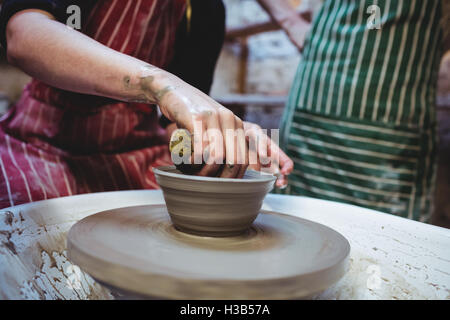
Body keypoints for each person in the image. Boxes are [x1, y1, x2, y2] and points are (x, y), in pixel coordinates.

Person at [0, 0, 294, 209]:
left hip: (135, 149)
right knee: (30, 225)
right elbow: (24, 35)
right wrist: (160, 85)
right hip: (43, 143)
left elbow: (174, 128)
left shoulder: (203, 8)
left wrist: (217, 140)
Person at [263, 0, 450, 222]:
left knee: (390, 241)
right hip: (312, 116)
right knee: (295, 228)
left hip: (396, 129)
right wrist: (290, 21)